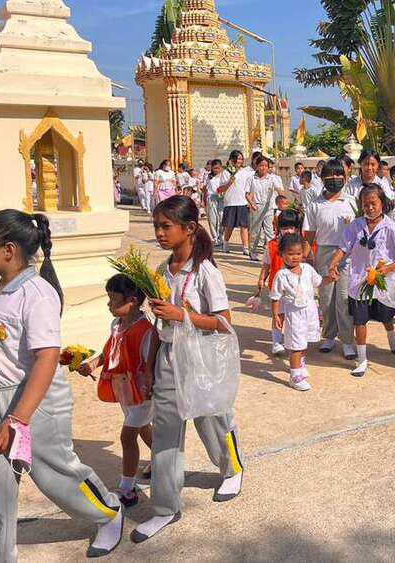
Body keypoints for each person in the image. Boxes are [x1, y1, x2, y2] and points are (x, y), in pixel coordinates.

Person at [0, 209, 124, 559]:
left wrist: (18, 419)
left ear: (8, 250)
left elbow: (46, 358)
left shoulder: (37, 294)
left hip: (32, 402)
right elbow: (5, 343)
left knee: (57, 476)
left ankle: (108, 512)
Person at [132, 195, 245, 542]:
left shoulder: (205, 272)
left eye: (166, 226)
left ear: (190, 228)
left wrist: (182, 315)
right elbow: (158, 326)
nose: (159, 233)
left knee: (212, 420)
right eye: (156, 226)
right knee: (166, 434)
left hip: (200, 357)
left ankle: (232, 468)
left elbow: (223, 323)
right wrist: (149, 367)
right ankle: (166, 507)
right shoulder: (160, 272)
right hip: (168, 358)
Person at [78, 274, 158, 508]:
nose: (109, 304)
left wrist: (150, 384)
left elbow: (150, 362)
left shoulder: (146, 330)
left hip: (141, 392)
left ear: (132, 301)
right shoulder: (117, 325)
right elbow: (110, 350)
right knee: (142, 427)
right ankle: (161, 459)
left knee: (127, 436)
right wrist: (94, 363)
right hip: (125, 390)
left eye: (113, 300)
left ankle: (127, 489)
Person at [327, 184, 395, 376]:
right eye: (365, 204)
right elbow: (343, 247)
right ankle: (362, 360)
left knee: (385, 315)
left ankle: (391, 336)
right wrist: (334, 263)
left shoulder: (390, 227)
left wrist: (389, 268)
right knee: (360, 321)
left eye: (373, 203)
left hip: (381, 283)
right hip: (359, 282)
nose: (370, 208)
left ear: (382, 203)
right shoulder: (355, 226)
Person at [303, 159, 358, 360]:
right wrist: (305, 258)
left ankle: (347, 340)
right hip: (324, 253)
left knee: (344, 299)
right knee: (326, 298)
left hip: (348, 255)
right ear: (322, 177)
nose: (334, 179)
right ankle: (328, 336)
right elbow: (309, 234)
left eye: (338, 175)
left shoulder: (352, 202)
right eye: (329, 175)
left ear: (345, 177)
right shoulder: (315, 205)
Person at [270, 233, 324, 391]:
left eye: (298, 254)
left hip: (310, 311)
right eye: (290, 254)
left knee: (305, 341)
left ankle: (300, 364)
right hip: (294, 314)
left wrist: (331, 278)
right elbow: (275, 297)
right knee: (296, 345)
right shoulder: (281, 276)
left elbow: (319, 282)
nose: (295, 257)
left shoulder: (307, 269)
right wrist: (275, 315)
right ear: (282, 254)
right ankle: (294, 376)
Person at [258, 210, 308, 355]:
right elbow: (266, 264)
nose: (288, 231)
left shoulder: (302, 245)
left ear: (297, 229)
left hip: (297, 288)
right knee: (278, 314)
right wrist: (261, 279)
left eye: (291, 227)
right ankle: (276, 342)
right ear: (279, 228)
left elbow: (309, 264)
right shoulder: (272, 245)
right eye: (284, 227)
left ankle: (293, 340)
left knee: (296, 316)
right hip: (277, 288)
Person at [246, 156, 284, 261]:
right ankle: (253, 251)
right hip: (256, 206)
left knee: (269, 231)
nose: (264, 168)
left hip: (269, 206)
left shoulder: (272, 178)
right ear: (257, 166)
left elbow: (279, 189)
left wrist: (282, 200)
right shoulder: (251, 179)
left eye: (266, 166)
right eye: (261, 165)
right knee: (255, 231)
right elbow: (247, 194)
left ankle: (273, 252)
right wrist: (252, 204)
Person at [217, 150, 253, 255]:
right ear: (232, 160)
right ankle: (226, 243)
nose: (240, 161)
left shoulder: (245, 172)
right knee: (230, 225)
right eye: (238, 159)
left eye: (241, 159)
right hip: (230, 202)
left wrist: (250, 201)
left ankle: (245, 248)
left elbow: (249, 188)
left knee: (244, 226)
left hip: (242, 201)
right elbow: (221, 189)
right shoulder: (226, 172)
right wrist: (229, 182)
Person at [205, 159, 225, 247]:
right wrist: (203, 200)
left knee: (221, 218)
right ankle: (215, 237)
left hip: (222, 198)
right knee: (213, 219)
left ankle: (221, 236)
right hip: (211, 198)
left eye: (218, 168)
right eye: (214, 168)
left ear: (221, 167)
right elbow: (206, 189)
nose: (216, 170)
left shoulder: (224, 176)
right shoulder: (209, 177)